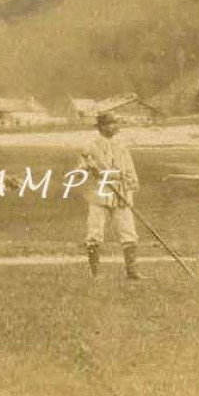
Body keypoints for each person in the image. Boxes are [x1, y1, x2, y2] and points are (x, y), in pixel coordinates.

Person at [79, 109, 142, 280]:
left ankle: (132, 271)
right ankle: (95, 273)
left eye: (116, 122)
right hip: (99, 194)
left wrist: (131, 184)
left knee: (128, 232)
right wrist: (89, 170)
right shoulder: (90, 147)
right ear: (101, 127)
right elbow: (81, 170)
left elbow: (129, 169)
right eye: (111, 123)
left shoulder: (121, 146)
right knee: (95, 232)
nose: (115, 126)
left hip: (121, 193)